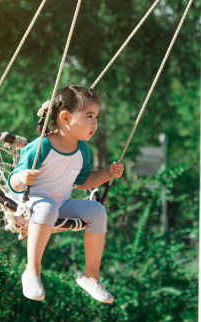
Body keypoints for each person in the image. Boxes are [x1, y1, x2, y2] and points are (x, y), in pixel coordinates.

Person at [7, 85, 124, 303]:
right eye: (89, 116)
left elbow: (84, 182)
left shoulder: (82, 150)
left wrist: (108, 173)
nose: (94, 123)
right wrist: (22, 178)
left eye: (96, 117)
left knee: (97, 210)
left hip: (58, 204)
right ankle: (31, 272)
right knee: (47, 206)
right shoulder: (40, 146)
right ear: (65, 118)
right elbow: (12, 182)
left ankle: (91, 276)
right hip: (28, 205)